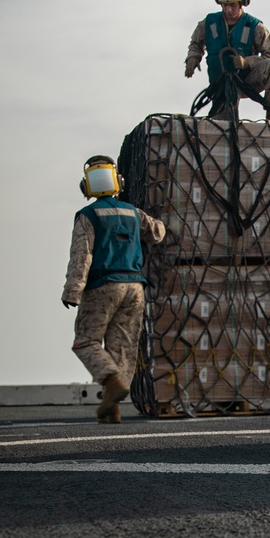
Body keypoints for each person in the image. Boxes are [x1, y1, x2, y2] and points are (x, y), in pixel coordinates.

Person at [62, 156, 167, 423]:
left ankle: (111, 383)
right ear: (118, 182)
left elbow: (81, 256)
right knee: (123, 347)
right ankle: (113, 408)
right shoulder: (133, 212)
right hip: (135, 288)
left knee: (85, 341)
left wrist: (72, 291)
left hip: (103, 286)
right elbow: (157, 232)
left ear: (87, 188)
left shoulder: (88, 216)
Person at [184, 0, 270, 121]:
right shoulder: (209, 23)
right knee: (223, 127)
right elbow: (196, 43)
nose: (229, 10)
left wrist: (247, 62)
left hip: (246, 80)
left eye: (233, 5)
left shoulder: (254, 26)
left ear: (241, 3)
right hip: (221, 84)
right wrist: (193, 57)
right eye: (225, 6)